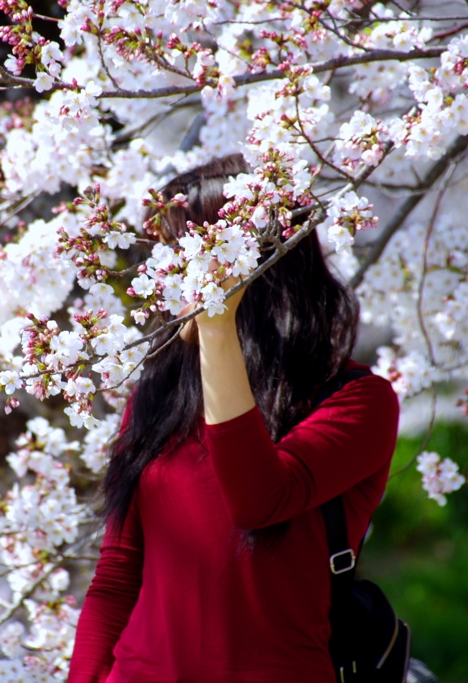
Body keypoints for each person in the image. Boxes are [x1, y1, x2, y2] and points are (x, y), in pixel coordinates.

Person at [68, 154, 400, 683]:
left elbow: (257, 500)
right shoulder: (158, 396)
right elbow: (116, 576)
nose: (170, 281)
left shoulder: (357, 401)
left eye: (185, 259)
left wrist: (217, 328)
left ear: (258, 265)